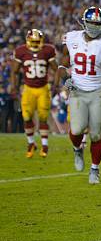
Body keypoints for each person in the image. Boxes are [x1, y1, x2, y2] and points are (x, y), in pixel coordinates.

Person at [57, 7, 101, 184]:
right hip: (77, 92)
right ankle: (77, 149)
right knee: (76, 130)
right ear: (84, 22)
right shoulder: (71, 38)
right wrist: (66, 79)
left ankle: (95, 169)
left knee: (95, 135)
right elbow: (62, 66)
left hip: (97, 93)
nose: (94, 26)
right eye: (91, 23)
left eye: (97, 23)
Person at [10, 29, 58, 157]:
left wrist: (56, 84)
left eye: (37, 41)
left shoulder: (48, 50)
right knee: (27, 117)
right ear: (28, 41)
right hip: (28, 88)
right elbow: (14, 71)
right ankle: (31, 143)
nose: (36, 44)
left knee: (43, 117)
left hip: (43, 88)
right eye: (33, 41)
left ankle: (45, 145)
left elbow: (56, 69)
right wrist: (14, 87)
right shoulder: (21, 51)